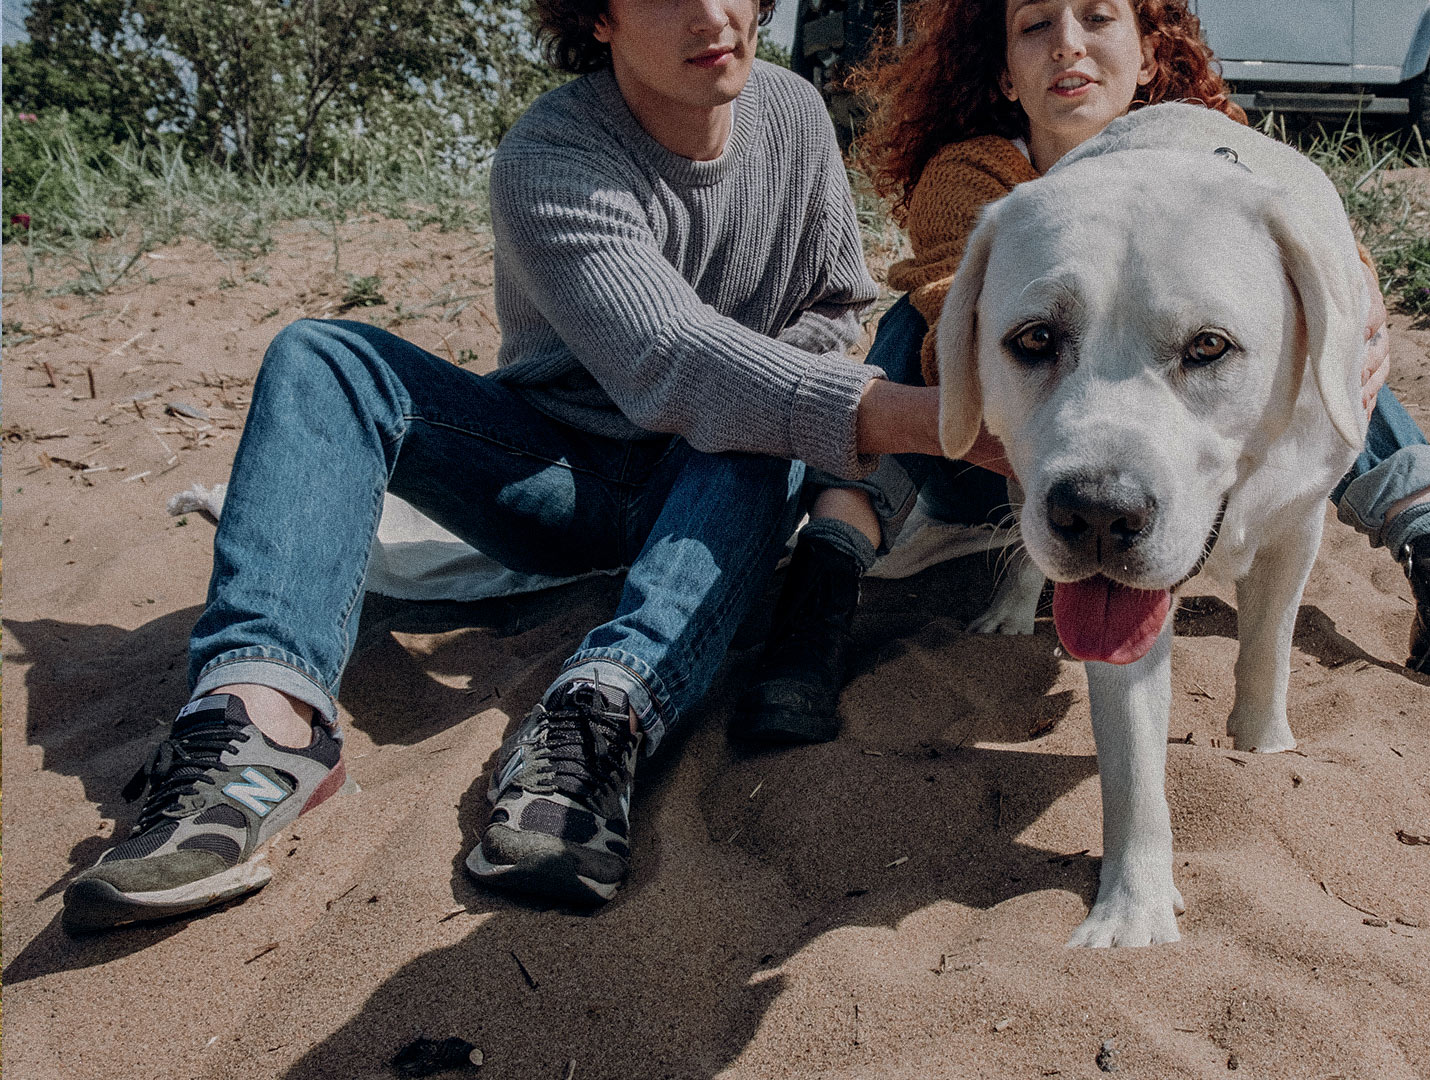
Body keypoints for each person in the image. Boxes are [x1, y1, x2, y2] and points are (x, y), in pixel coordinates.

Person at [62, 0, 1003, 930]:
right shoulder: (551, 155)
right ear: (599, 18)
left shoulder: (793, 114)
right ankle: (261, 721)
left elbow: (836, 307)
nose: (712, 14)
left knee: (751, 425)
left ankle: (600, 714)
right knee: (324, 358)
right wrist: (935, 421)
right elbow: (665, 358)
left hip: (722, 484)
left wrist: (758, 384)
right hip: (559, 476)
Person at [732, 0, 1430, 747]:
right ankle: (825, 580)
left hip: (1148, 464)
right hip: (983, 456)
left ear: (1148, 51)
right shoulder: (977, 175)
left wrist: (1358, 301)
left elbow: (1314, 238)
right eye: (1035, 25)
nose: (1068, 43)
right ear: (1002, 73)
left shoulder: (1204, 169)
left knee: (1292, 338)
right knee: (909, 327)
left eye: (1098, 17)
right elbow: (948, 325)